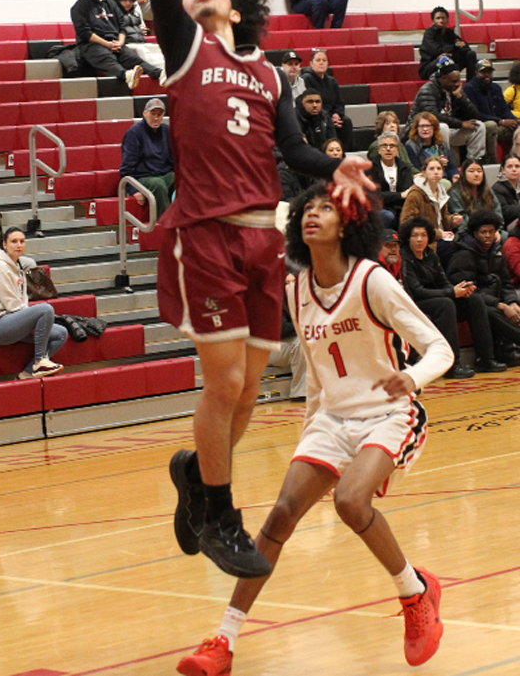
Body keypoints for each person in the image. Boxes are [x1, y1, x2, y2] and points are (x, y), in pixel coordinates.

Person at [114, 0, 375, 580]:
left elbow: (293, 149)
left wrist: (336, 167)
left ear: (237, 6)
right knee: (224, 380)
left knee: (252, 389)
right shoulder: (183, 48)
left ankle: (197, 474)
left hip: (265, 236)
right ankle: (220, 514)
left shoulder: (267, 74)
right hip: (207, 230)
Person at [177, 180, 452, 676]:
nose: (313, 214)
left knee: (350, 501)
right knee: (281, 514)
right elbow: (316, 373)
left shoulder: (372, 280)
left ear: (347, 225)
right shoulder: (297, 290)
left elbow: (441, 349)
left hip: (390, 413)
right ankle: (224, 640)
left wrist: (410, 378)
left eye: (327, 208)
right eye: (309, 207)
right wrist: (312, 435)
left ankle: (415, 594)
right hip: (331, 417)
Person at [0, 227, 68, 379]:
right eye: (14, 241)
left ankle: (27, 373)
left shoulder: (17, 267)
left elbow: (20, 304)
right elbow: (12, 305)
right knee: (46, 310)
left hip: (10, 321)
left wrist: (32, 322)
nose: (18, 245)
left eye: (22, 241)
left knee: (60, 333)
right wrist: (33, 322)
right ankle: (39, 361)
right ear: (4, 245)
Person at [398, 216, 475, 379]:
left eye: (423, 235)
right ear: (408, 238)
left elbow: (443, 282)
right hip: (414, 302)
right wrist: (451, 292)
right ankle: (452, 365)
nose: (419, 239)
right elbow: (417, 291)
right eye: (415, 235)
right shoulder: (404, 258)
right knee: (445, 304)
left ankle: (487, 357)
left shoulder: (431, 255)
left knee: (474, 300)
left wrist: (460, 290)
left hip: (434, 298)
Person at [448, 210, 520, 369]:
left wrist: (512, 302)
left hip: (494, 298)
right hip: (467, 302)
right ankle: (492, 356)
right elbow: (468, 289)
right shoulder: (464, 254)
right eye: (483, 232)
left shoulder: (496, 250)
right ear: (475, 233)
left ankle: (508, 351)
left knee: (516, 304)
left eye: (491, 232)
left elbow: (506, 282)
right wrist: (500, 305)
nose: (487, 236)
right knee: (492, 312)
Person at [70, 0, 160, 90]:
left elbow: (122, 27)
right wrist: (106, 44)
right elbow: (85, 33)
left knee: (133, 58)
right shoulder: (79, 6)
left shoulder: (112, 5)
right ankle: (126, 75)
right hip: (91, 45)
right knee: (108, 58)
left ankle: (160, 73)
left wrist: (120, 42)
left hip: (115, 43)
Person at [404, 59, 485, 165]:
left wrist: (460, 98)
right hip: (422, 132)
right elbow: (433, 116)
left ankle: (472, 164)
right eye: (454, 81)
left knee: (478, 126)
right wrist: (460, 124)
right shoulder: (427, 90)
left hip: (450, 129)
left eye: (458, 81)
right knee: (442, 127)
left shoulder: (454, 89)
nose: (457, 84)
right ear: (443, 78)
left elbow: (474, 115)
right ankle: (445, 164)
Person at [399, 156, 463, 265]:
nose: (436, 172)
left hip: (442, 237)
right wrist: (439, 234)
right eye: (432, 169)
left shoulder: (441, 191)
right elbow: (407, 222)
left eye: (439, 169)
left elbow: (444, 218)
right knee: (454, 249)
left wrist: (453, 220)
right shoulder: (415, 194)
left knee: (465, 242)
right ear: (424, 172)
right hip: (427, 240)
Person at [119, 98, 174, 217]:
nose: (156, 118)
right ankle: (165, 224)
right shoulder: (134, 133)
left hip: (163, 175)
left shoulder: (166, 131)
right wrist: (133, 190)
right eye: (152, 114)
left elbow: (174, 160)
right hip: (143, 177)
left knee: (180, 179)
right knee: (158, 184)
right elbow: (126, 168)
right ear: (144, 113)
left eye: (159, 115)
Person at [463, 58, 517, 163]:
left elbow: (504, 110)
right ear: (476, 72)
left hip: (498, 125)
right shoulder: (469, 89)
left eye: (489, 72)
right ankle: (492, 163)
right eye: (483, 72)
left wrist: (514, 120)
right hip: (480, 126)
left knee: (518, 127)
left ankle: (515, 161)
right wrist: (500, 121)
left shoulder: (495, 87)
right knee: (491, 126)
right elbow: (475, 114)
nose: (487, 75)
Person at [302, 48, 353, 151]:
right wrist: (328, 116)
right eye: (318, 60)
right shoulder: (306, 79)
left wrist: (337, 114)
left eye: (324, 60)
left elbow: (339, 102)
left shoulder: (332, 81)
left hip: (331, 116)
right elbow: (310, 103)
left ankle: (342, 152)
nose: (321, 63)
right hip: (317, 115)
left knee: (346, 122)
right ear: (311, 63)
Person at [265, 273, 306, 402]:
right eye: (287, 283)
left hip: (287, 346)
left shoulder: (305, 300)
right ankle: (299, 393)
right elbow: (282, 330)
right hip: (268, 349)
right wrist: (305, 325)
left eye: (294, 282)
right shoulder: (273, 302)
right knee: (301, 343)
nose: (291, 286)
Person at [113, 0, 166, 77]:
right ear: (118, 1)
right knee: (143, 51)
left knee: (158, 48)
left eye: (130, 0)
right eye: (125, 0)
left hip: (141, 41)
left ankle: (167, 67)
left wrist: (143, 31)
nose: (128, 3)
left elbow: (136, 29)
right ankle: (161, 71)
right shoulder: (114, 14)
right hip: (128, 44)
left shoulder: (135, 13)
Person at [447, 158, 505, 238]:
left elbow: (497, 212)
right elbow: (462, 221)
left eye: (479, 171)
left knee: (504, 236)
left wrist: (495, 229)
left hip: (490, 229)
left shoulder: (487, 191)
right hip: (469, 232)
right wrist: (481, 231)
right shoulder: (455, 193)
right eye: (471, 171)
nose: (476, 174)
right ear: (464, 174)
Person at [418, 6, 477, 81]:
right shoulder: (429, 33)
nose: (441, 20)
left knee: (470, 54)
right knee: (445, 57)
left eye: (443, 18)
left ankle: (471, 83)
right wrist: (454, 47)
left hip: (449, 63)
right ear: (433, 21)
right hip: (429, 67)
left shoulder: (449, 33)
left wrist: (455, 48)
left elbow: (464, 46)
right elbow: (437, 51)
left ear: (447, 20)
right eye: (438, 18)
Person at [368, 131, 414, 228]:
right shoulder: (371, 168)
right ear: (379, 150)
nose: (388, 149)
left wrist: (393, 197)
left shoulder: (405, 168)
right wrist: (400, 195)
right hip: (380, 208)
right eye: (384, 146)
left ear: (397, 149)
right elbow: (376, 196)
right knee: (387, 216)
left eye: (392, 146)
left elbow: (408, 192)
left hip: (401, 206)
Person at [404, 111, 458, 185]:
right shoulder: (411, 145)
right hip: (425, 181)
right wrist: (437, 164)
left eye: (428, 126)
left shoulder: (441, 144)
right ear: (416, 128)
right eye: (422, 126)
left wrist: (454, 176)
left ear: (434, 128)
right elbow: (417, 170)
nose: (425, 129)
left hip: (444, 178)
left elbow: (452, 167)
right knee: (446, 184)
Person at [492, 153, 520, 230]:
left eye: (517, 166)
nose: (514, 169)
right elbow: (504, 212)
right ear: (503, 170)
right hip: (507, 225)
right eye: (510, 166)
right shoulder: (497, 188)